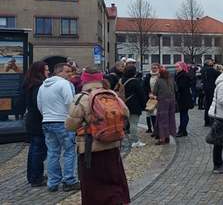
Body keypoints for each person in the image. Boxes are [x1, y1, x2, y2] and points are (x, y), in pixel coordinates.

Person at [65, 68, 130, 204]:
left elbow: (71, 125)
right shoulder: (112, 95)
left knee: (93, 185)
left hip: (90, 149)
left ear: (84, 80)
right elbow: (125, 114)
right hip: (112, 145)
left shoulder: (81, 98)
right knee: (113, 179)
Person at [37, 63, 79, 192]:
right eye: (67, 72)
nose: (69, 74)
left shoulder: (43, 85)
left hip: (47, 121)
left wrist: (47, 115)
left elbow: (39, 105)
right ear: (59, 72)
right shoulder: (64, 84)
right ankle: (69, 180)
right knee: (69, 152)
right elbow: (69, 102)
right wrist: (72, 117)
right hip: (62, 121)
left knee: (52, 153)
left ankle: (53, 182)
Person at [24, 61, 49, 187]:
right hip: (37, 121)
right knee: (38, 150)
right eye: (46, 70)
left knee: (34, 149)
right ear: (40, 71)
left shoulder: (29, 83)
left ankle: (33, 175)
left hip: (32, 120)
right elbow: (38, 104)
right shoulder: (38, 85)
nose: (48, 72)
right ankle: (36, 177)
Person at [123, 65, 147, 149]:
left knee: (125, 123)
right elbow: (141, 94)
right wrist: (144, 105)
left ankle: (123, 140)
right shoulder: (135, 81)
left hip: (123, 104)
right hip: (134, 105)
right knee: (133, 123)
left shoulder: (121, 80)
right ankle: (135, 141)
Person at [152, 67, 177, 145]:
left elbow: (154, 92)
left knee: (162, 120)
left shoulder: (159, 81)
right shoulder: (171, 80)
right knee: (170, 119)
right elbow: (176, 89)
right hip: (172, 101)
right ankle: (168, 137)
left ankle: (162, 138)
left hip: (163, 102)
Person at [175, 62, 193, 137]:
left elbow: (181, 87)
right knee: (183, 114)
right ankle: (183, 130)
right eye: (176, 67)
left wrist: (176, 88)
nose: (176, 68)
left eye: (177, 67)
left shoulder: (183, 75)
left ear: (182, 67)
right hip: (183, 97)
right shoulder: (181, 75)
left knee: (184, 114)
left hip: (184, 97)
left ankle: (182, 130)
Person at [143, 63, 161, 135]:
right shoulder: (148, 76)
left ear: (158, 68)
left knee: (154, 113)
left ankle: (155, 129)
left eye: (155, 68)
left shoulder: (160, 76)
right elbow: (144, 86)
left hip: (157, 97)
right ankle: (149, 128)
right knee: (148, 113)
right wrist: (148, 93)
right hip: (149, 97)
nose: (154, 69)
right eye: (153, 68)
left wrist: (156, 95)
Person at [202, 59, 219, 127]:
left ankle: (206, 121)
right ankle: (210, 121)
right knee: (211, 105)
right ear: (209, 63)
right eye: (211, 61)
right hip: (211, 89)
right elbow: (218, 74)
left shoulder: (203, 69)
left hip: (205, 88)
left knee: (207, 105)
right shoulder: (211, 70)